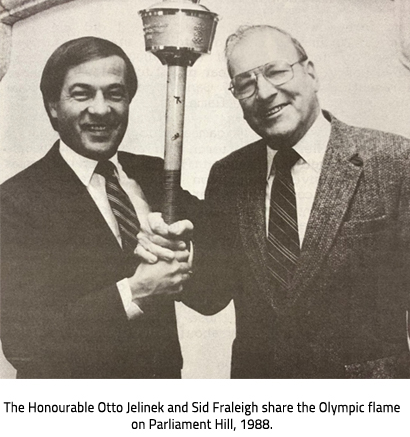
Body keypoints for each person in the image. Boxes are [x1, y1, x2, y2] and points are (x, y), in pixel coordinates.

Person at [140, 25, 410, 378]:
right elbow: (212, 295)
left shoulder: (395, 161)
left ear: (310, 73)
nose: (264, 92)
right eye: (245, 83)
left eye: (276, 71)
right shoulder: (229, 175)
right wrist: (177, 256)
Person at [0, 36, 198, 379]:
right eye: (82, 93)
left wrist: (185, 252)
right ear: (52, 106)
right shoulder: (14, 202)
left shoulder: (155, 175)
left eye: (115, 93)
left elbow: (213, 293)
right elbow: (24, 343)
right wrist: (136, 290)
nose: (102, 108)